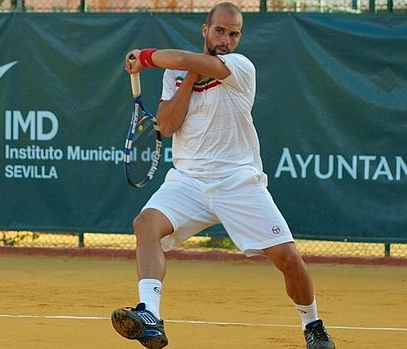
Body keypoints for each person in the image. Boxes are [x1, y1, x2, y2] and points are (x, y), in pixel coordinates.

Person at [111, 3, 336, 349]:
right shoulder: (176, 74)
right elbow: (168, 125)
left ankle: (313, 325)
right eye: (220, 31)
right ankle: (151, 316)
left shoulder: (240, 66)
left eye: (234, 34)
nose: (226, 39)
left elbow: (190, 61)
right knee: (145, 225)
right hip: (188, 181)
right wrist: (186, 77)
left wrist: (145, 56)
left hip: (238, 181)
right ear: (206, 30)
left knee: (289, 260)